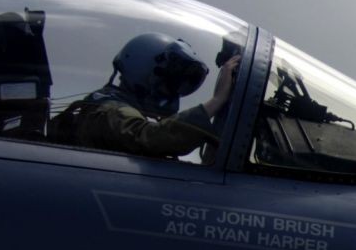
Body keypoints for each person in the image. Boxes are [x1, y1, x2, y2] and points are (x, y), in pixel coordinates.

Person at [51, 32, 238, 159]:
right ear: (143, 69)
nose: (173, 92)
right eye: (170, 82)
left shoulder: (109, 106)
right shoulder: (109, 112)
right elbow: (149, 139)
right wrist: (216, 101)